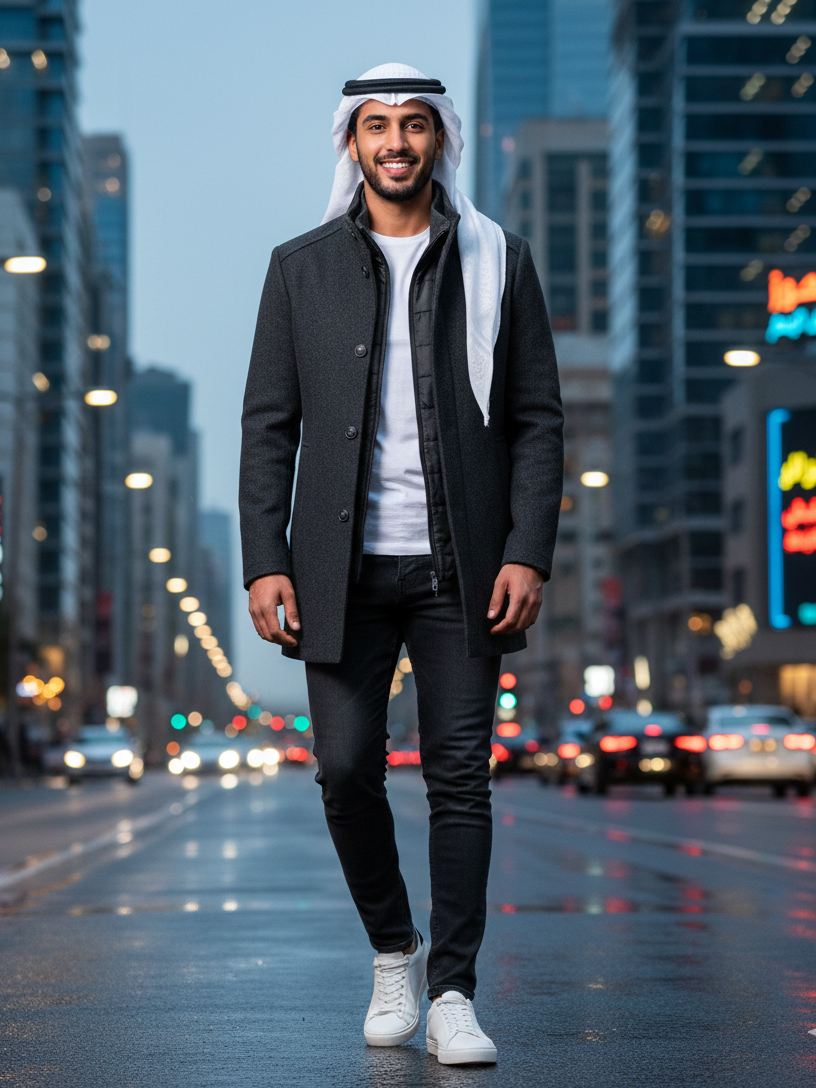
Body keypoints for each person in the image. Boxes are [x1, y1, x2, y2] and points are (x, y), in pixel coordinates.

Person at [240, 63, 563, 1065]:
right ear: (352, 142)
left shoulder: (497, 259)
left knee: (462, 775)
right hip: (338, 566)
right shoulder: (300, 268)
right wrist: (266, 561)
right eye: (377, 125)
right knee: (344, 771)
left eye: (414, 125)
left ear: (439, 140)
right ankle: (395, 948)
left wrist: (529, 551)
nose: (396, 142)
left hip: (461, 566)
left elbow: (537, 420)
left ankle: (456, 990)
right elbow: (268, 427)